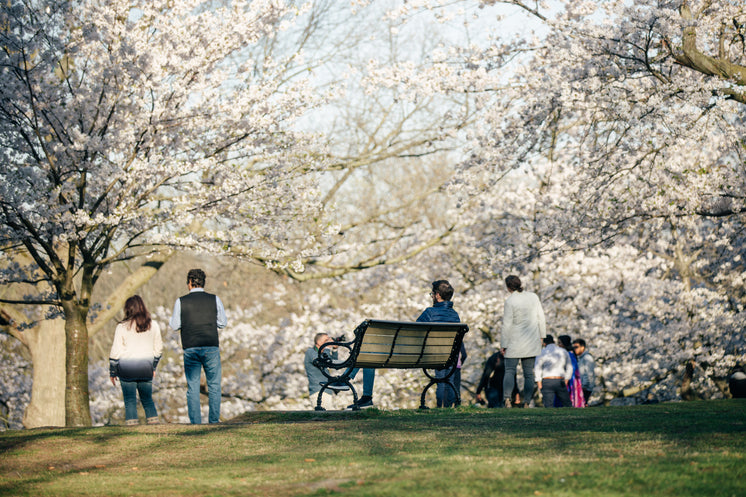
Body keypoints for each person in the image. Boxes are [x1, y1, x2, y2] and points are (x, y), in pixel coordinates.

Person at [170, 268, 227, 424]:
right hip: (211, 346)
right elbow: (222, 323)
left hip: (191, 347)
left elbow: (175, 325)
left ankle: (195, 423)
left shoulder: (180, 301)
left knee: (193, 387)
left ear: (189, 283)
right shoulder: (214, 299)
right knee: (214, 385)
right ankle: (214, 421)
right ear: (203, 283)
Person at [109, 295, 163, 425]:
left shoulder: (122, 327)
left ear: (127, 309)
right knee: (147, 399)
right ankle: (155, 427)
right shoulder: (153, 325)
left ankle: (132, 429)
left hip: (127, 369)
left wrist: (112, 372)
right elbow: (159, 349)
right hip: (145, 368)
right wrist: (153, 367)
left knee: (129, 401)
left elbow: (115, 352)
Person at [416, 280, 464, 407]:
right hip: (452, 356)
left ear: (437, 295)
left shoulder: (429, 313)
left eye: (432, 294)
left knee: (441, 382)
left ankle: (439, 407)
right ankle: (448, 408)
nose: (431, 296)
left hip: (435, 355)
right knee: (450, 381)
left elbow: (416, 330)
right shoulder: (455, 315)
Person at [500, 275, 546, 408]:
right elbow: (541, 317)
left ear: (508, 287)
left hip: (514, 341)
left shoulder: (510, 301)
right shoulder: (533, 297)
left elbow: (507, 324)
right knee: (528, 373)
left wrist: (504, 344)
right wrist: (542, 336)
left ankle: (507, 399)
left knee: (509, 370)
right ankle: (527, 401)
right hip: (531, 340)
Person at [304, 333, 349, 410]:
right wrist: (328, 347)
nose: (328, 342)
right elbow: (325, 362)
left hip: (326, 390)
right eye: (326, 340)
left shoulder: (322, 353)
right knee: (323, 415)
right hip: (318, 390)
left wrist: (334, 349)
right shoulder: (310, 352)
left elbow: (333, 363)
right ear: (318, 342)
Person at [535, 335, 573, 407]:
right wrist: (567, 379)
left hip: (547, 380)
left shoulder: (542, 352)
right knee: (567, 404)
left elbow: (537, 368)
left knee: (548, 405)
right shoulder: (563, 351)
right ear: (554, 341)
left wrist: (539, 381)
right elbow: (569, 367)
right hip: (560, 379)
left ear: (544, 343)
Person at [558, 335, 585, 408]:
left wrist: (567, 378)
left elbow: (572, 367)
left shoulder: (570, 354)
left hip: (571, 379)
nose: (558, 345)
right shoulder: (566, 353)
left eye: (560, 343)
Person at [572, 338, 596, 405]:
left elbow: (589, 373)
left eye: (576, 347)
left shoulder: (587, 357)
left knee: (582, 404)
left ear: (582, 347)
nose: (575, 349)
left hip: (585, 387)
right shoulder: (581, 358)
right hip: (581, 385)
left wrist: (585, 385)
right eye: (573, 347)